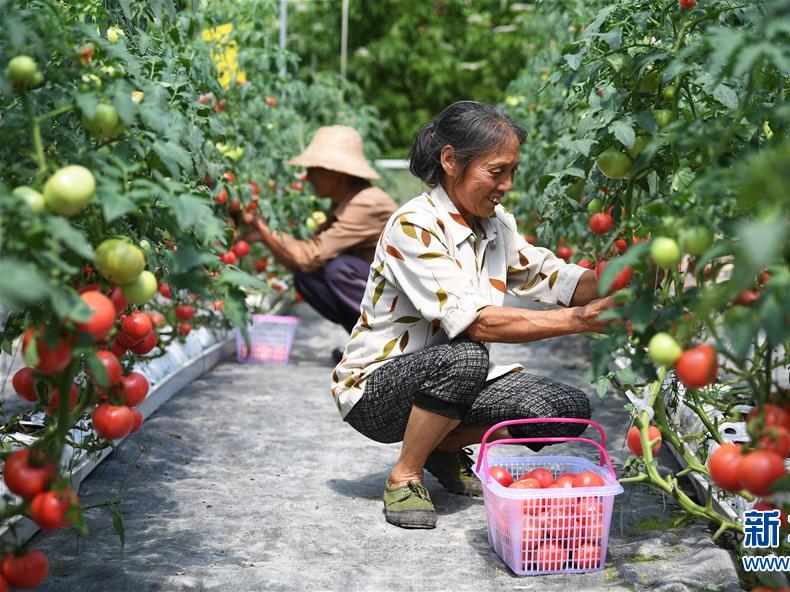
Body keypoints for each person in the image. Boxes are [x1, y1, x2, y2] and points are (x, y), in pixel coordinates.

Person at [330, 101, 623, 529]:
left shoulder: (494, 224)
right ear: (450, 161)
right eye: (496, 171)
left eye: (512, 172)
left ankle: (441, 448)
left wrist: (628, 273)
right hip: (376, 391)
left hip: (453, 379)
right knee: (467, 353)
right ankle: (405, 474)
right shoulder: (414, 224)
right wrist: (579, 321)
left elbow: (553, 277)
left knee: (564, 409)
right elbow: (477, 323)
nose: (506, 184)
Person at [242, 126, 397, 362]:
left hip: (400, 303)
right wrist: (265, 236)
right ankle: (364, 346)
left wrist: (263, 225)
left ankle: (390, 346)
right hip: (385, 295)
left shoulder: (366, 203)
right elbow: (301, 265)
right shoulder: (346, 201)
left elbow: (307, 256)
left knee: (338, 269)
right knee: (307, 278)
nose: (308, 176)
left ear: (338, 172)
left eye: (315, 169)